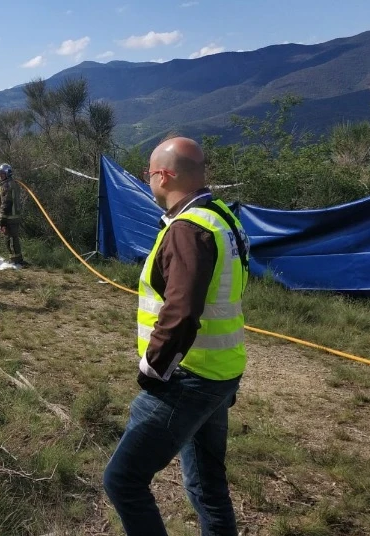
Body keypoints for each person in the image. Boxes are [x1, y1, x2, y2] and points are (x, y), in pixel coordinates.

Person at [103, 137, 250, 536]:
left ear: (164, 176)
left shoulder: (188, 230)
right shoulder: (223, 217)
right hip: (221, 372)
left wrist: (154, 368)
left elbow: (182, 312)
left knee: (123, 480)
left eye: (149, 174)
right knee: (206, 484)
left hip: (187, 377)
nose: (148, 181)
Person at [0, 163, 24, 265]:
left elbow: (6, 204)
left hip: (9, 218)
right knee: (12, 239)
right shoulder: (10, 184)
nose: (0, 176)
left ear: (8, 174)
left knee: (10, 240)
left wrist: (3, 222)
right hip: (12, 218)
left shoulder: (7, 186)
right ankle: (16, 260)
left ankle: (15, 261)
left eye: (2, 174)